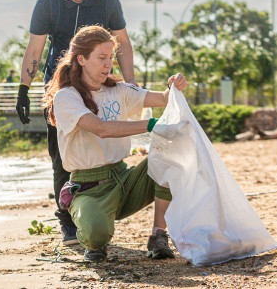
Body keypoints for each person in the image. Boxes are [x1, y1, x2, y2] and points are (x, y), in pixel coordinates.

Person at [15, 0, 137, 245]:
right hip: (60, 87)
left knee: (99, 146)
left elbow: (123, 43)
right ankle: (68, 223)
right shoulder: (47, 4)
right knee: (61, 157)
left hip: (98, 84)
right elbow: (35, 50)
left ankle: (98, 208)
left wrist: (131, 84)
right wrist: (23, 90)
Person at [41, 25, 186, 261]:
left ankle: (158, 234)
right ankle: (92, 225)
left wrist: (174, 86)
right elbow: (101, 129)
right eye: (101, 58)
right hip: (89, 187)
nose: (109, 64)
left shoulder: (119, 89)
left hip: (124, 180)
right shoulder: (66, 96)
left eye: (111, 57)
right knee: (96, 238)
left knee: (169, 155)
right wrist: (151, 125)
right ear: (81, 59)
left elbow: (163, 99)